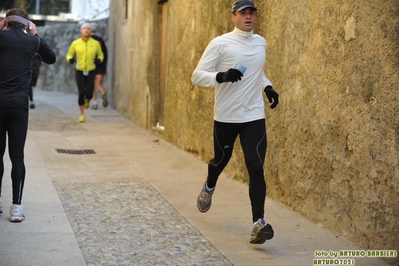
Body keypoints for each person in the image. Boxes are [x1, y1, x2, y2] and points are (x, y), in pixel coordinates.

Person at [191, 0, 279, 244]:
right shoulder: (220, 43)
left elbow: (256, 71)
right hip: (227, 116)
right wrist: (221, 75)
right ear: (233, 17)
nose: (248, 17)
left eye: (252, 12)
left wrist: (268, 86)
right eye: (243, 13)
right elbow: (197, 75)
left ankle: (258, 223)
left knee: (256, 166)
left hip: (253, 116)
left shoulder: (260, 41)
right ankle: (209, 186)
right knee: (220, 161)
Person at [0, 8, 56, 222]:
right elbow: (51, 58)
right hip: (18, 105)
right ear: (26, 24)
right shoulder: (32, 41)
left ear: (7, 22)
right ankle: (16, 208)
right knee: (17, 157)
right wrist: (35, 34)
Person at [66, 23, 104, 122]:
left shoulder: (95, 43)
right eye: (84, 28)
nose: (86, 30)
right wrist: (70, 59)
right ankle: (82, 114)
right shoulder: (76, 43)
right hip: (79, 70)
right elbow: (69, 54)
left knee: (90, 93)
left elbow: (101, 55)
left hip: (91, 70)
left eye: (88, 28)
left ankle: (88, 99)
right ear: (81, 30)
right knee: (81, 92)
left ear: (91, 31)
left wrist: (99, 60)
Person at [90, 22, 108, 110]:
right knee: (98, 84)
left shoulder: (87, 40)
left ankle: (94, 103)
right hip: (100, 65)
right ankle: (103, 93)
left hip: (90, 65)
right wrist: (103, 64)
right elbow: (105, 53)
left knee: (91, 85)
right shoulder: (100, 40)